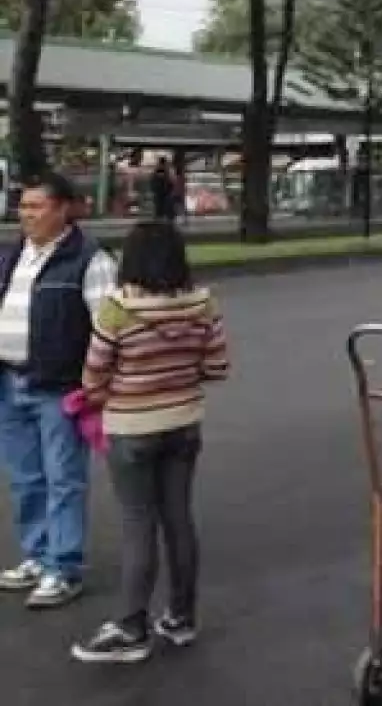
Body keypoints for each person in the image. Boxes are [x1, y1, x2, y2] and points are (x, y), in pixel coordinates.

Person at [69, 221, 229, 663]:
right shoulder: (203, 303)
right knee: (179, 518)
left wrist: (122, 386)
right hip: (184, 425)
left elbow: (92, 376)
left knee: (138, 523)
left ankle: (130, 627)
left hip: (132, 428)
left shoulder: (117, 309)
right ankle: (181, 617)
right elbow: (217, 368)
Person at [0, 173, 118, 609]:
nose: (26, 215)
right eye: (23, 207)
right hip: (10, 382)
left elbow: (109, 329)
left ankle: (63, 566)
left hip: (59, 387)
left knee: (63, 479)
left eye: (37, 207)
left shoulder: (90, 260)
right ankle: (37, 553)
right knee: (26, 478)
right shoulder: (14, 256)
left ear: (65, 209)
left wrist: (95, 387)